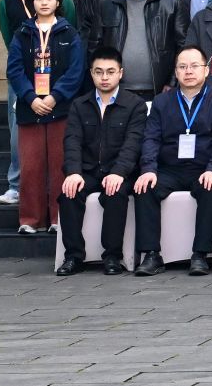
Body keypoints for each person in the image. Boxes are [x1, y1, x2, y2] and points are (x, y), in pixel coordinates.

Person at [131, 47, 212, 276]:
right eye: (182, 67)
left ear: (206, 70)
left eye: (194, 66)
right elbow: (151, 138)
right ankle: (151, 255)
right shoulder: (161, 102)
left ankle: (200, 255)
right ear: (176, 72)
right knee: (144, 187)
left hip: (205, 168)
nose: (188, 71)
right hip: (169, 169)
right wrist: (148, 169)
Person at [55, 49, 146, 275]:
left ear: (120, 73)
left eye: (110, 72)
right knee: (69, 193)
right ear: (91, 74)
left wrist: (119, 172)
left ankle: (112, 256)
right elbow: (72, 141)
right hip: (87, 171)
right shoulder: (79, 105)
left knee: (116, 194)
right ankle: (73, 257)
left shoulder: (135, 105)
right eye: (99, 72)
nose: (104, 77)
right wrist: (73, 172)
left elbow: (133, 144)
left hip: (119, 171)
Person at [6, 0, 80, 233]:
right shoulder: (22, 33)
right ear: (32, 2)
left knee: (60, 165)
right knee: (31, 166)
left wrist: (54, 96)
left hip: (60, 108)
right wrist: (31, 98)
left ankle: (59, 218)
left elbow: (75, 71)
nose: (44, 2)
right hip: (31, 109)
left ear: (58, 2)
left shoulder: (69, 33)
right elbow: (14, 70)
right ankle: (30, 220)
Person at [90, 0, 192, 100]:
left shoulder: (172, 1)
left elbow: (184, 46)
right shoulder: (106, 3)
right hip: (116, 91)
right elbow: (95, 46)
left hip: (161, 91)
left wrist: (173, 81)